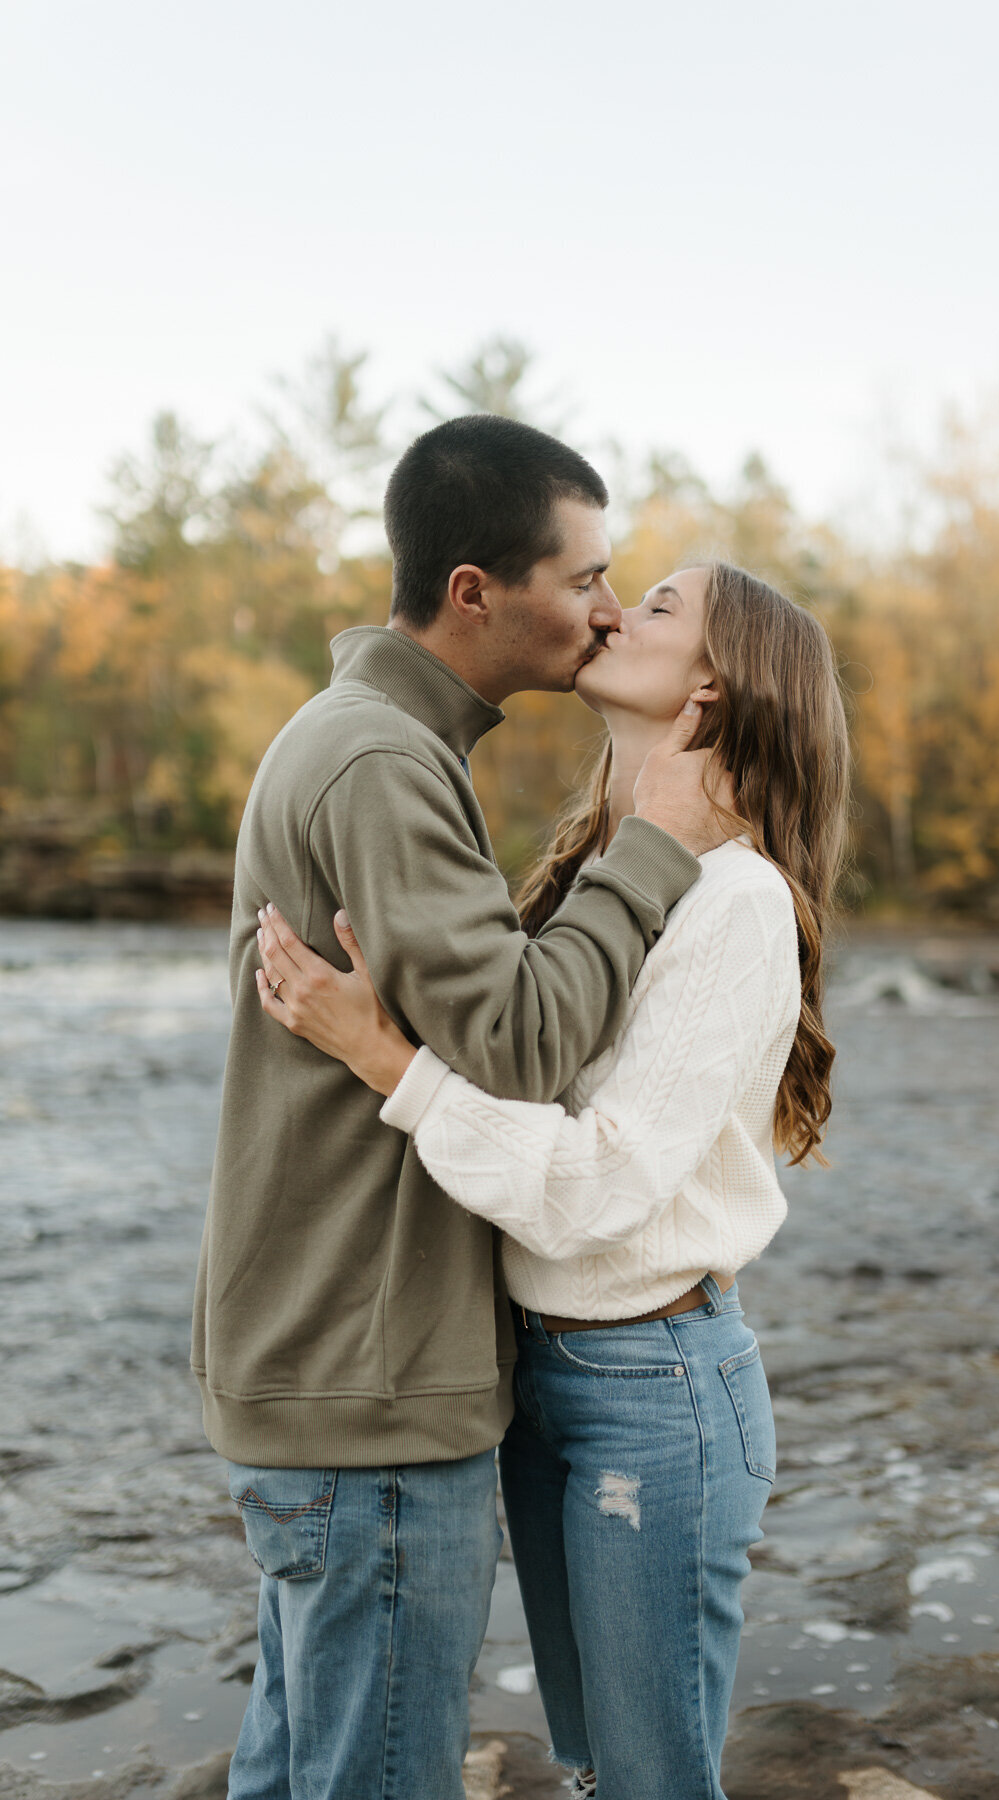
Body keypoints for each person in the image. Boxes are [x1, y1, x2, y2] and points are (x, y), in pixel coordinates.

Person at [192, 416, 734, 1800]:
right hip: (369, 1384)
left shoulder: (370, 742)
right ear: (477, 592)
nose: (608, 609)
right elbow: (521, 1044)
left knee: (299, 1771)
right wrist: (662, 843)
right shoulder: (381, 761)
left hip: (331, 1371)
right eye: (586, 578)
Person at [255, 561, 852, 1800]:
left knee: (648, 1780)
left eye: (661, 607)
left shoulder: (735, 900)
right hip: (546, 1365)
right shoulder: (603, 869)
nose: (614, 612)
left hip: (657, 1386)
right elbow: (515, 1068)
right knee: (590, 1764)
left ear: (714, 689)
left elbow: (592, 1187)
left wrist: (380, 1055)